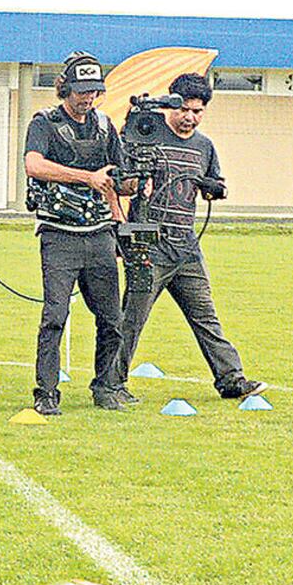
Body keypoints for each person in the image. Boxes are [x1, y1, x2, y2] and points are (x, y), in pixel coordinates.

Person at [111, 73, 264, 402]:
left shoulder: (204, 146)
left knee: (206, 317)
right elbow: (121, 183)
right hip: (148, 246)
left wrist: (214, 189)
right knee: (132, 320)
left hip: (186, 248)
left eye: (198, 112)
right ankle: (112, 383)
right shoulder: (147, 135)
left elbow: (216, 185)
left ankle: (231, 379)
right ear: (173, 103)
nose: (190, 117)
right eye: (186, 110)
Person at [23, 52, 135, 415]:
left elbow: (116, 180)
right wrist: (87, 177)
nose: (88, 98)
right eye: (81, 91)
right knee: (54, 316)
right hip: (59, 234)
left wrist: (131, 188)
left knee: (111, 319)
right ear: (65, 88)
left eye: (94, 91)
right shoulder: (44, 123)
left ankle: (105, 387)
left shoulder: (106, 125)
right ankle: (46, 392)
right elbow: (34, 165)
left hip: (100, 233)